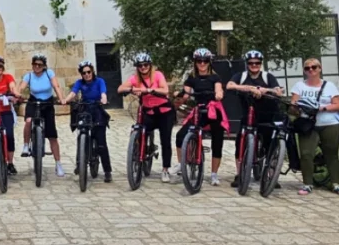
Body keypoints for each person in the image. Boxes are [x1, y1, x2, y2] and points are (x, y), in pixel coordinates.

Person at [226, 50, 284, 189]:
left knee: (269, 145)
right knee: (240, 142)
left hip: (266, 114)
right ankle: (240, 174)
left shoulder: (267, 76)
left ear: (260, 63)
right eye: (251, 63)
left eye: (257, 63)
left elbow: (279, 91)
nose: (254, 65)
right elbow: (229, 85)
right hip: (248, 113)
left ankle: (270, 175)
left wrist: (265, 90)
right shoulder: (241, 76)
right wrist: (249, 88)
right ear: (247, 64)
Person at [173, 48, 227, 186]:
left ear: (209, 62)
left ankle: (214, 174)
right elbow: (185, 93)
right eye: (199, 61)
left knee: (217, 139)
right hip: (199, 110)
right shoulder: (192, 77)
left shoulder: (215, 77)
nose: (202, 64)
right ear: (195, 62)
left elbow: (219, 89)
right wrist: (179, 96)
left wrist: (219, 94)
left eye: (205, 61)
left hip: (213, 110)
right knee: (181, 135)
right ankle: (181, 164)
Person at [117, 52, 174, 183]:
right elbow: (120, 89)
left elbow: (165, 90)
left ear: (150, 65)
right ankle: (139, 152)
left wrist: (149, 90)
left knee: (165, 140)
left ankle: (165, 169)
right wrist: (132, 89)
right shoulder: (135, 78)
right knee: (140, 131)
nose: (143, 67)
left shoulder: (158, 75)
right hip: (148, 112)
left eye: (145, 65)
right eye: (140, 65)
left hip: (164, 112)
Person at [290, 58, 339, 196]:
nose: (311, 70)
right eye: (307, 68)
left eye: (314, 67)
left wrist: (322, 108)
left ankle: (336, 183)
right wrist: (296, 108)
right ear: (304, 71)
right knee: (306, 154)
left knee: (332, 153)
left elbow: (337, 104)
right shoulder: (299, 86)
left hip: (329, 123)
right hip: (308, 125)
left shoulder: (329, 86)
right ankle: (307, 183)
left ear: (320, 69)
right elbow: (293, 105)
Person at [62, 59, 112, 183]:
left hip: (97, 111)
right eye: (84, 73)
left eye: (88, 72)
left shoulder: (100, 81)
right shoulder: (80, 82)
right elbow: (73, 93)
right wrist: (65, 100)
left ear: (92, 71)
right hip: (85, 111)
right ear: (81, 74)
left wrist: (104, 98)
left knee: (101, 143)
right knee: (81, 136)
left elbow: (103, 93)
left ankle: (107, 171)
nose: (87, 75)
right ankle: (80, 163)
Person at [22, 53, 67, 177]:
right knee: (28, 121)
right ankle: (26, 145)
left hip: (47, 104)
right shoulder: (29, 76)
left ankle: (58, 164)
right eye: (35, 64)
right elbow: (21, 86)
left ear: (44, 66)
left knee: (52, 135)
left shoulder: (49, 74)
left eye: (40, 65)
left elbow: (56, 86)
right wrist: (17, 95)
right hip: (33, 102)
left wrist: (61, 98)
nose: (37, 66)